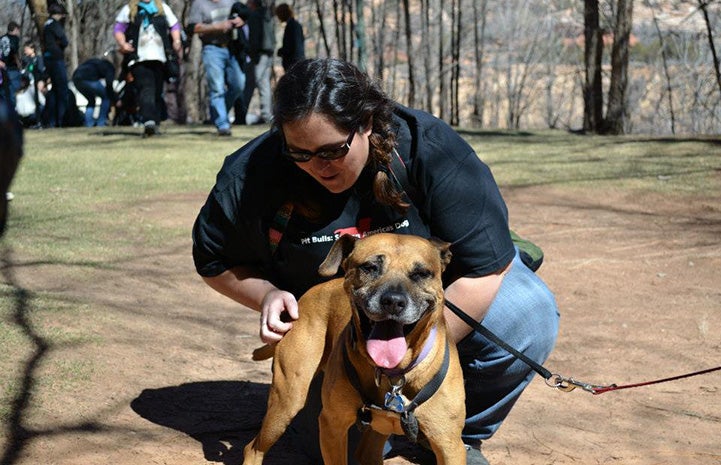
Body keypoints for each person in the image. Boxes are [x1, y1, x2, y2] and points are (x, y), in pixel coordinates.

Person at [192, 58, 559, 465]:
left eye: (333, 150)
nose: (318, 166)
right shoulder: (250, 174)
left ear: (366, 122)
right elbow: (213, 260)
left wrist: (415, 361)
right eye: (300, 152)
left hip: (444, 308)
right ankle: (380, 412)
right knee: (344, 444)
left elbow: (487, 268)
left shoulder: (432, 151)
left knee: (527, 311)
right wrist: (266, 294)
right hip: (334, 329)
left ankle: (453, 428)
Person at [114, 0, 183, 137]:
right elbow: (118, 29)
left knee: (157, 91)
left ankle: (154, 124)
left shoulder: (161, 7)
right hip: (139, 58)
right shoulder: (130, 9)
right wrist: (123, 44)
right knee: (146, 88)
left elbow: (174, 25)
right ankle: (148, 121)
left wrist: (176, 41)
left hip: (160, 57)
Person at [188, 0, 246, 137]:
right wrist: (217, 26)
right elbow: (192, 28)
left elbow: (244, 13)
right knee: (217, 88)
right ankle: (223, 125)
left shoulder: (231, 1)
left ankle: (218, 114)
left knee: (239, 85)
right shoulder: (199, 4)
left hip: (232, 48)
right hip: (212, 49)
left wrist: (241, 20)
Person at [245, 0, 275, 123]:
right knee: (264, 85)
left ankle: (241, 113)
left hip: (259, 54)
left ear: (253, 3)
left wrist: (253, 53)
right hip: (268, 53)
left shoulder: (255, 16)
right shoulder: (267, 15)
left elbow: (255, 36)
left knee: (250, 83)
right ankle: (266, 115)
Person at [42, 3, 69, 128]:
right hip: (56, 59)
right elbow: (64, 41)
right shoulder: (54, 25)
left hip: (47, 59)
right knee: (62, 90)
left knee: (53, 91)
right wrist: (60, 43)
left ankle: (51, 121)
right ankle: (61, 120)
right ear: (57, 14)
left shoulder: (46, 25)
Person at [71, 58, 116, 127]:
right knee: (106, 97)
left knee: (91, 100)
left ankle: (89, 124)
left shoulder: (94, 61)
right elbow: (109, 85)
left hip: (76, 79)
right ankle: (101, 122)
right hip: (88, 79)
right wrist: (114, 97)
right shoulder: (110, 68)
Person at [21, 43, 46, 127]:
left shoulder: (38, 59)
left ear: (32, 49)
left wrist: (41, 82)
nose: (25, 51)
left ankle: (40, 121)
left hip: (37, 85)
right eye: (24, 50)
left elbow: (41, 72)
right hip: (28, 87)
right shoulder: (25, 60)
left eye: (27, 49)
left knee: (40, 103)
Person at [274, 3, 304, 72]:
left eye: (279, 14)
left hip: (293, 63)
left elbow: (293, 45)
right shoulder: (295, 25)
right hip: (296, 62)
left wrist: (281, 51)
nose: (278, 17)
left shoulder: (291, 26)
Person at [0, 21, 22, 110]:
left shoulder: (1, 38)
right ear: (15, 29)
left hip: (2, 70)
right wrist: (19, 64)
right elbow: (14, 53)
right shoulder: (14, 39)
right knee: (12, 92)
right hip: (11, 68)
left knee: (3, 93)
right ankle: (11, 115)